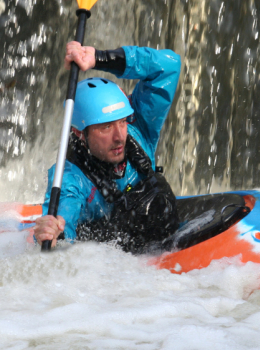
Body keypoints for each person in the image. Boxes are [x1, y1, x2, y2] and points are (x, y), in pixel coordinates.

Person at [33, 41, 182, 253]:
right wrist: (54, 230)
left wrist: (100, 58)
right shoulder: (71, 177)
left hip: (160, 242)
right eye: (105, 127)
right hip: (115, 262)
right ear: (79, 133)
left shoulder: (139, 125)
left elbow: (168, 66)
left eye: (122, 122)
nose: (119, 136)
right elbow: (63, 217)